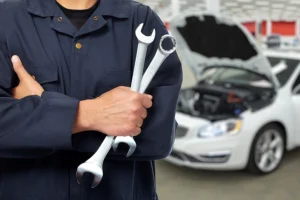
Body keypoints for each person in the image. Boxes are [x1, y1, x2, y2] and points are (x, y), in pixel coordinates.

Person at [0, 0, 182, 199]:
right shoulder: (5, 19)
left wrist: (41, 115)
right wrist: (89, 116)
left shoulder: (141, 20)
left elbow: (159, 137)